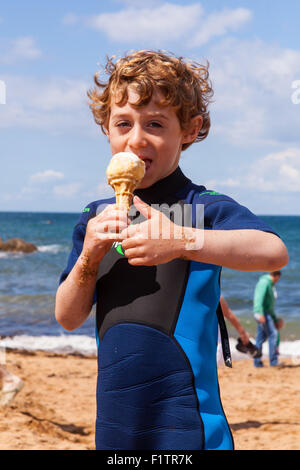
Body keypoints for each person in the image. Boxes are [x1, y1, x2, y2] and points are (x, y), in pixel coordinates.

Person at [55, 50, 288, 450]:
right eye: (123, 123)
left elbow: (273, 251)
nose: (136, 139)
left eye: (156, 124)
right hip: (115, 427)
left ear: (190, 130)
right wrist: (89, 255)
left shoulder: (205, 206)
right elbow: (68, 316)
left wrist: (182, 241)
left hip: (190, 428)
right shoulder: (96, 217)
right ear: (106, 129)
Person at [253, 271, 284, 367]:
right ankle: (273, 361)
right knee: (273, 334)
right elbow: (258, 298)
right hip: (263, 313)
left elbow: (270, 305)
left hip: (266, 313)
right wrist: (259, 313)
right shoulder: (264, 283)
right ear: (276, 276)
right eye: (278, 279)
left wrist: (274, 318)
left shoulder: (270, 284)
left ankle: (257, 362)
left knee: (260, 338)